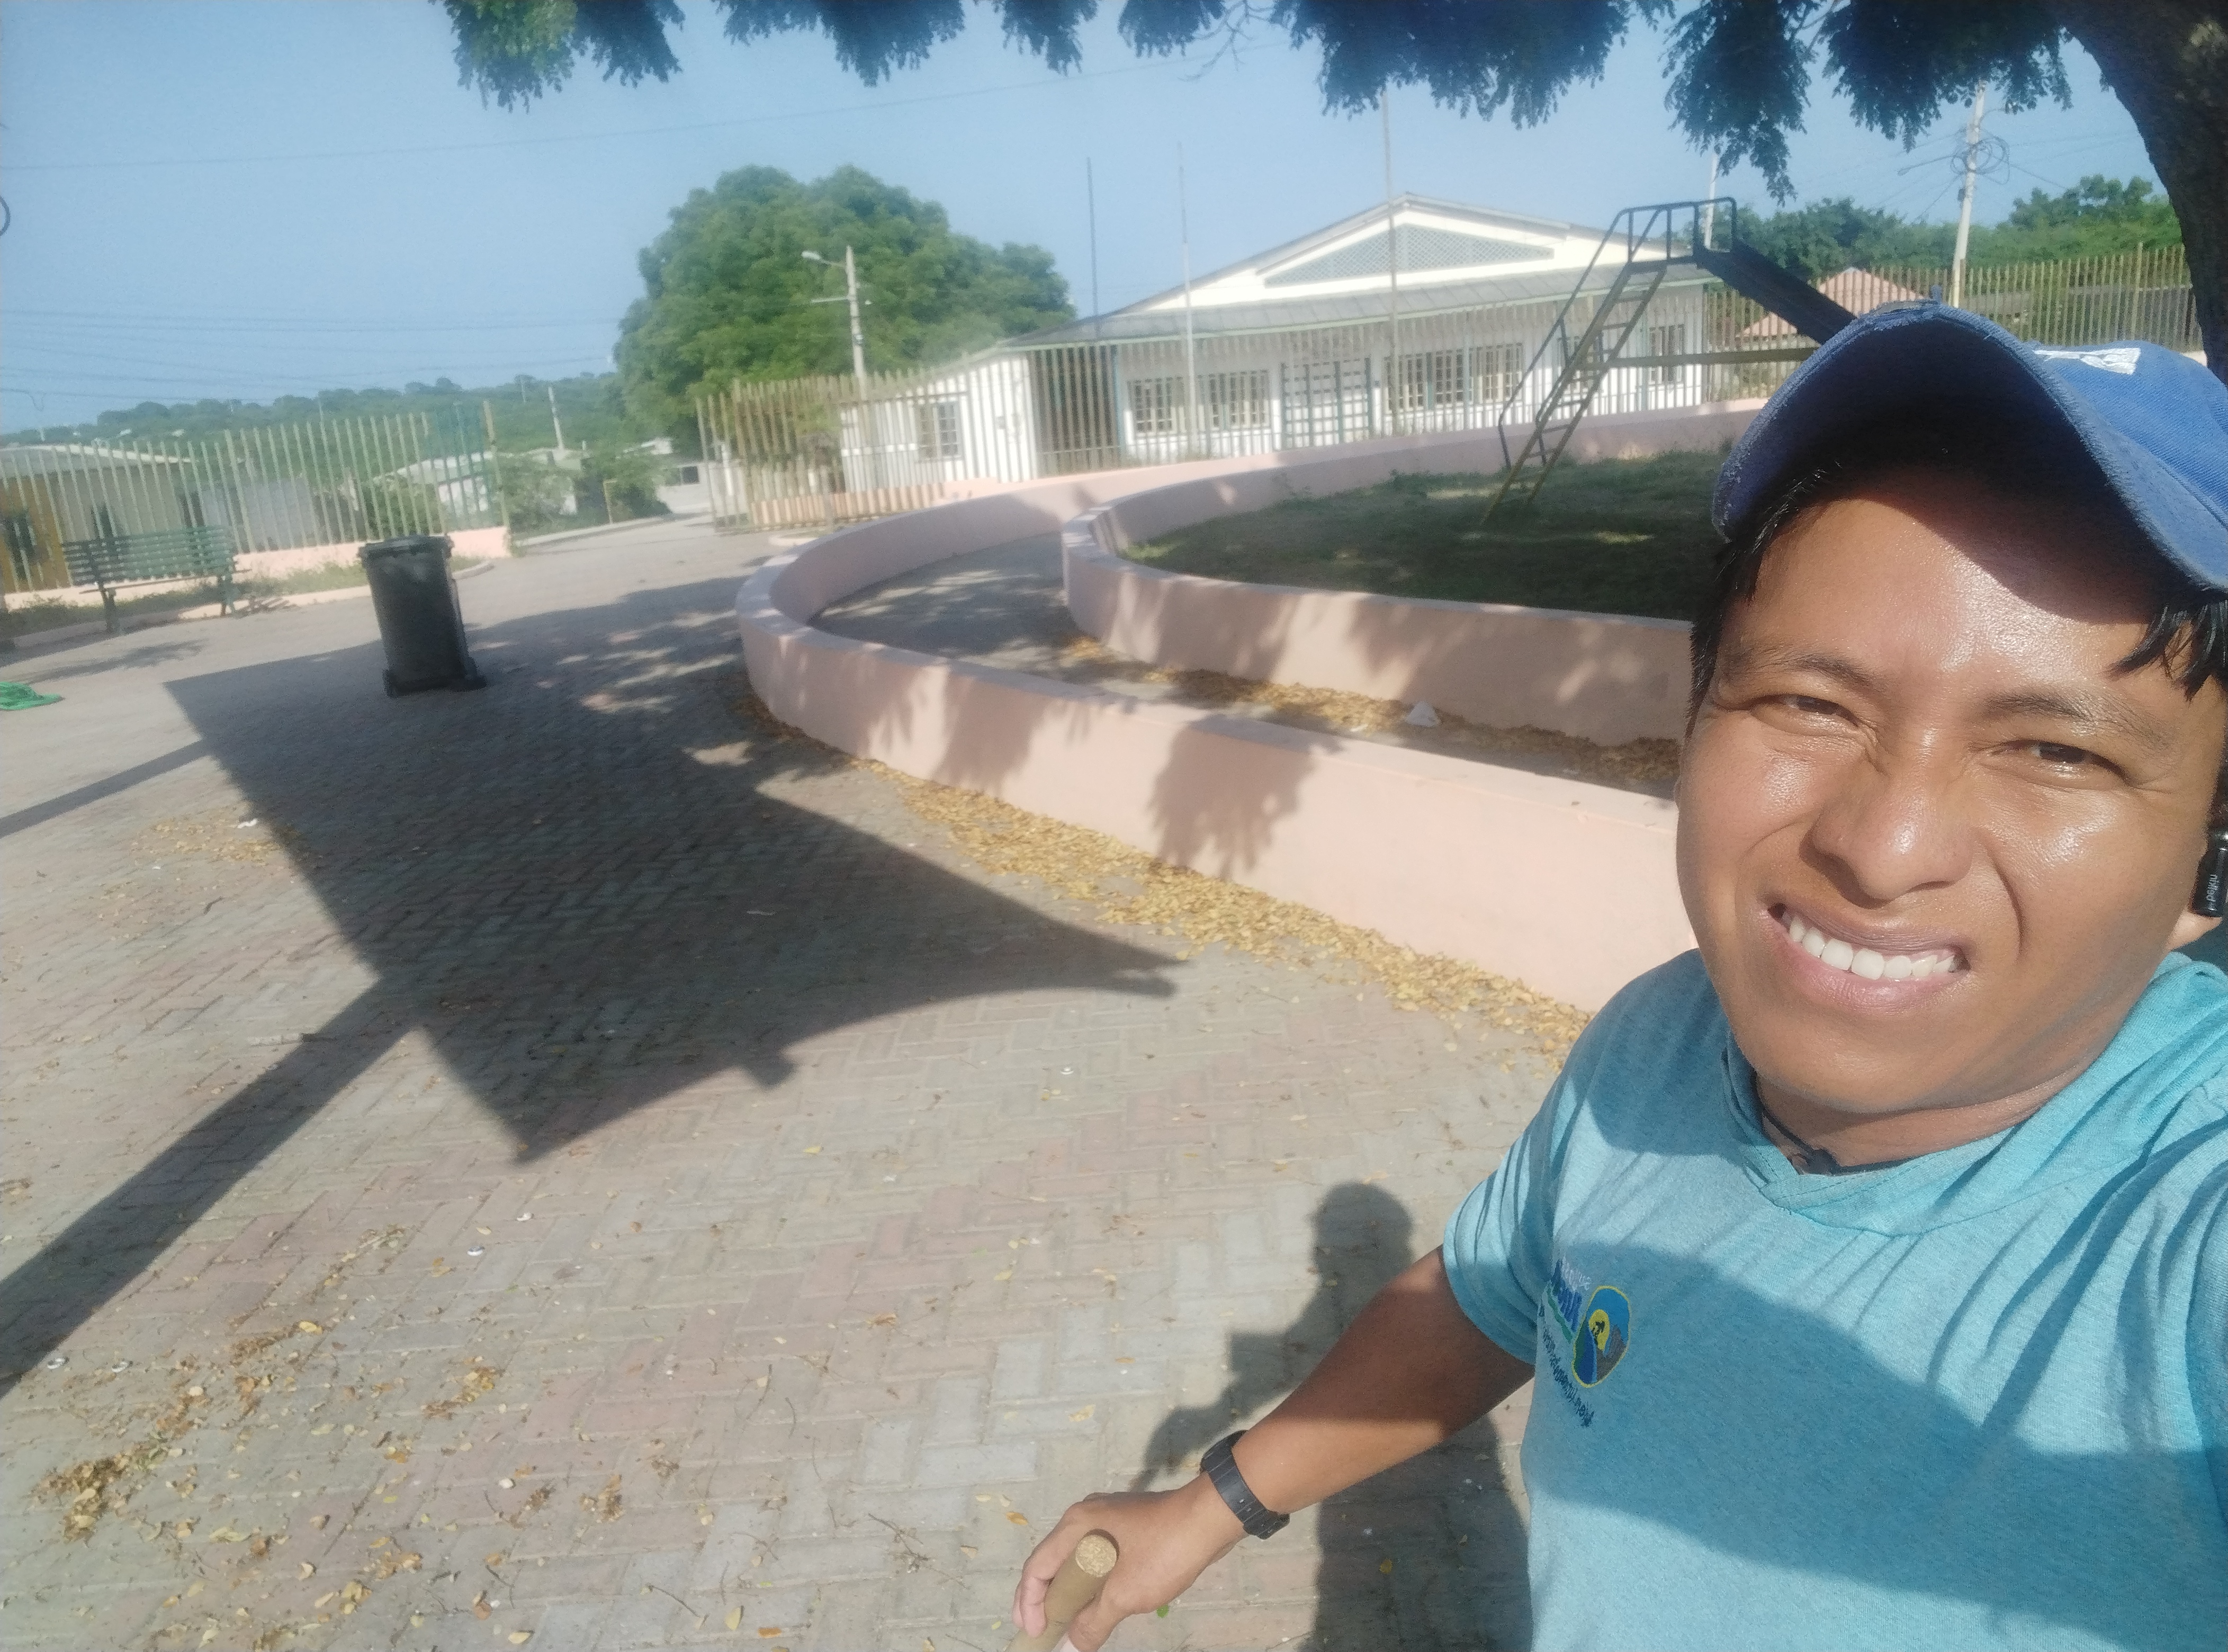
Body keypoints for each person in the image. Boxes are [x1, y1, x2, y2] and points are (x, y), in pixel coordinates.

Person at [1013, 306, 2228, 1652]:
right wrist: (1215, 1503)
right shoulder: (1660, 1040)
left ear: (2208, 854)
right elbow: (1491, 1292)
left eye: (2058, 754)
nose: (1880, 849)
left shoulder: (2187, 1223)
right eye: (1809, 705)